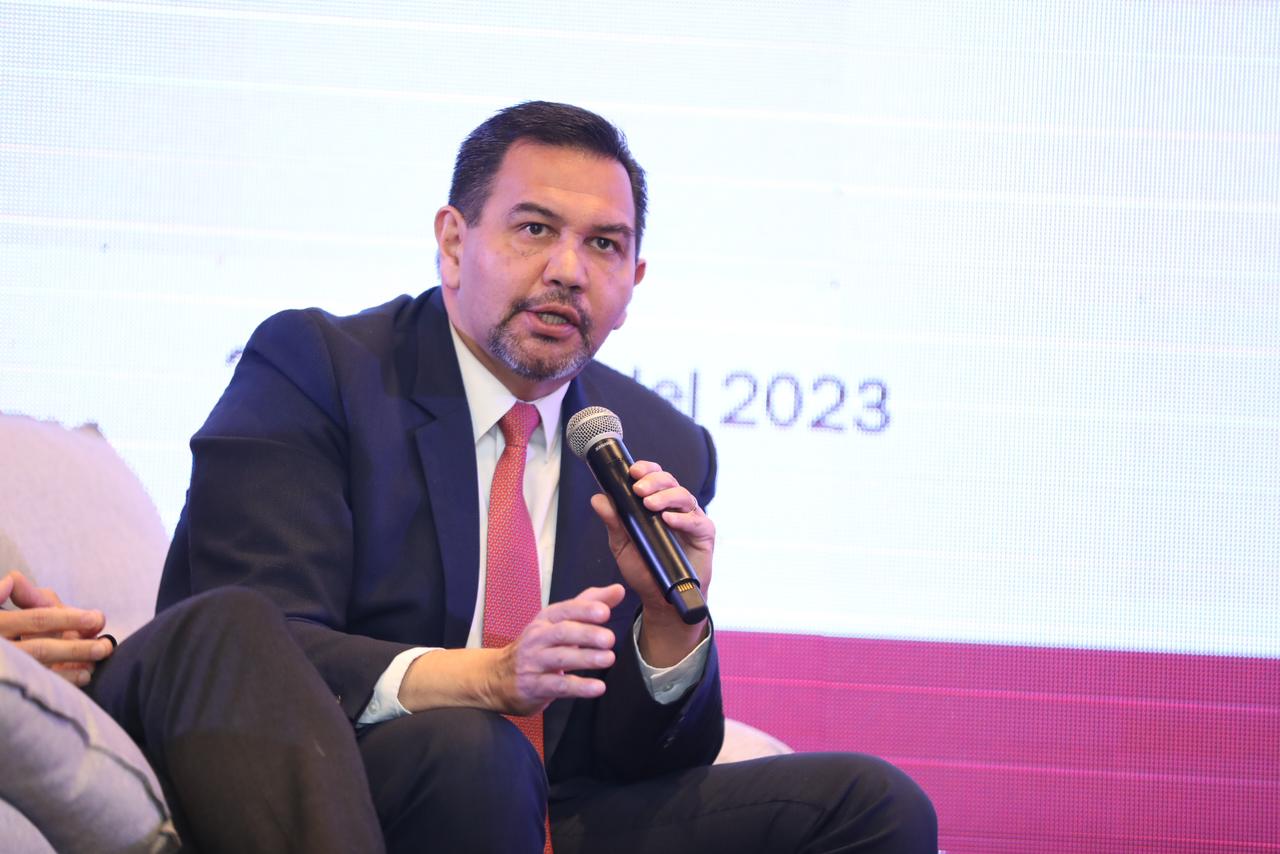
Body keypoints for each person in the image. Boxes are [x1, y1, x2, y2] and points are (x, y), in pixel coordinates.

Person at [13, 101, 937, 852]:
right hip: (356, 783)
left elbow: (648, 761)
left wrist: (670, 623)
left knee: (874, 805)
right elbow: (254, 638)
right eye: (535, 230)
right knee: (475, 753)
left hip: (557, 806)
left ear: (634, 281)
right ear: (454, 242)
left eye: (605, 246)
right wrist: (484, 678)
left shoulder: (657, 443)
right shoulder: (322, 371)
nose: (568, 271)